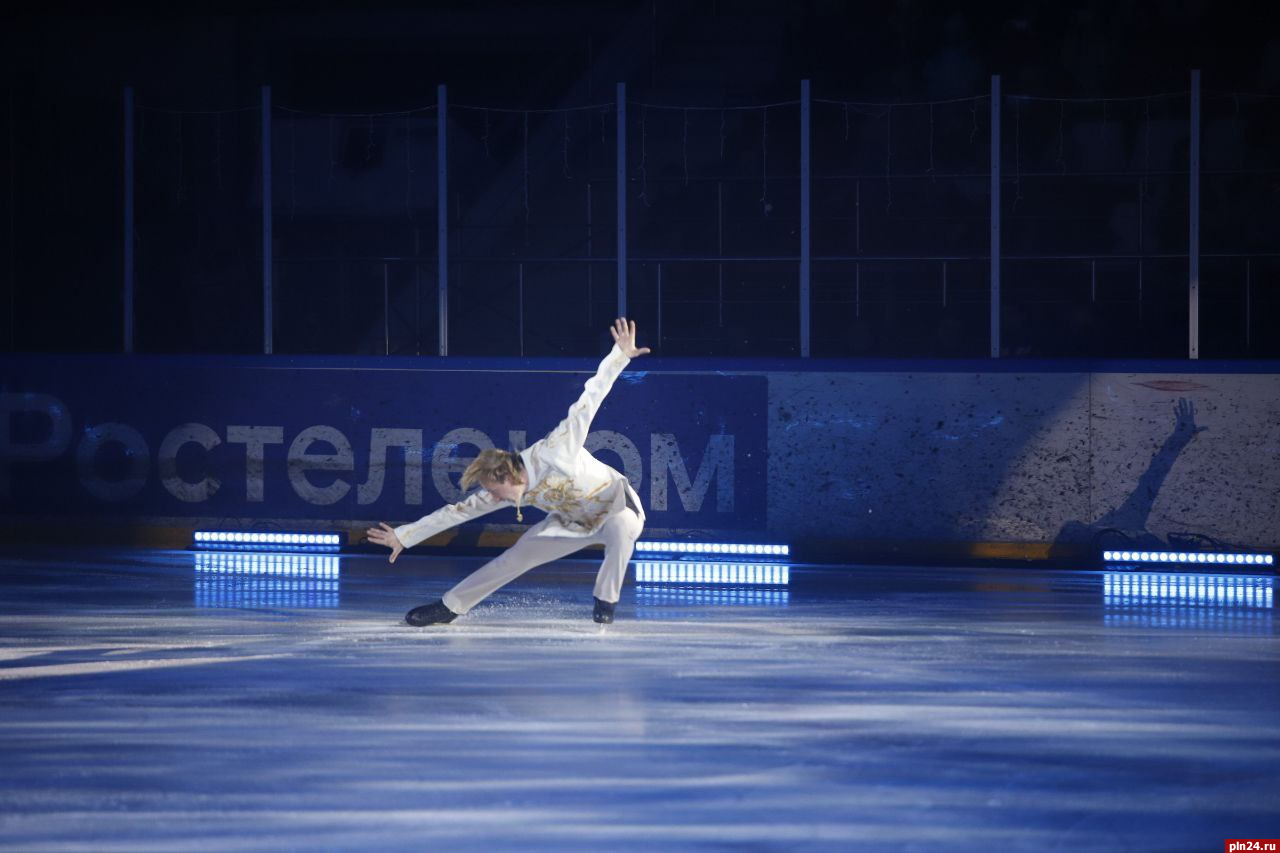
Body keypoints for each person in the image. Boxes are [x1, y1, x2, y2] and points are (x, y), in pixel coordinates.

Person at [366, 317, 652, 625]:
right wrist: (404, 537)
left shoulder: (557, 449)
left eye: (493, 488)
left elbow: (590, 398)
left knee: (621, 529)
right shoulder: (507, 488)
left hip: (617, 507)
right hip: (571, 522)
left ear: (509, 476)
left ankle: (605, 603)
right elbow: (456, 512)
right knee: (514, 557)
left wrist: (619, 356)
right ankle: (450, 607)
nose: (491, 495)